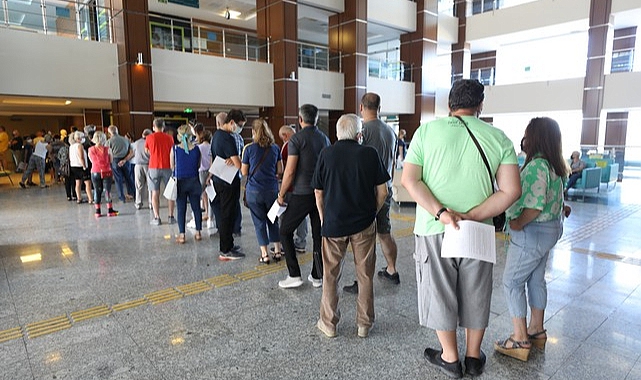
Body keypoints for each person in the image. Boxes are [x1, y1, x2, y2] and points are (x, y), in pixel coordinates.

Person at [401, 79, 521, 378]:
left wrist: (442, 213)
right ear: (480, 105)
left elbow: (410, 180)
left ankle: (450, 357)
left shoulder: (427, 131)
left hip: (433, 227)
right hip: (477, 230)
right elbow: (510, 191)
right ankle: (473, 357)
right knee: (477, 290)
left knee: (439, 290)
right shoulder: (498, 138)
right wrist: (472, 215)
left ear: (449, 105)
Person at [495, 117, 570, 361]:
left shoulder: (537, 165)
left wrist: (516, 223)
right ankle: (536, 329)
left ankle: (519, 339)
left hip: (532, 231)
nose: (524, 139)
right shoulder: (555, 165)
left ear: (535, 137)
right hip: (549, 230)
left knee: (512, 282)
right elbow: (553, 200)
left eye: (527, 134)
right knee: (536, 279)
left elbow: (534, 206)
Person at [312, 113, 389, 339]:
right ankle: (364, 325)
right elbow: (383, 191)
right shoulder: (369, 154)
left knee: (330, 274)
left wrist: (324, 217)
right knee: (365, 275)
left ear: (337, 134)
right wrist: (371, 214)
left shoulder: (326, 154)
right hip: (363, 224)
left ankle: (329, 323)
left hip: (334, 224)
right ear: (359, 135)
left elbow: (318, 192)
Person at [344, 92, 400, 295]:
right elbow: (392, 164)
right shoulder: (390, 132)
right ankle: (392, 270)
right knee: (385, 232)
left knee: (364, 240)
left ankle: (362, 281)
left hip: (365, 193)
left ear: (361, 107)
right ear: (379, 107)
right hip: (385, 188)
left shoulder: (362, 131)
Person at [277, 104, 330, 289]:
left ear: (300, 119)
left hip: (301, 194)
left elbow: (290, 171)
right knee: (318, 235)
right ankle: (317, 276)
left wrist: (281, 194)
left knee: (284, 231)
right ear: (316, 119)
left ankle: (294, 274)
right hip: (320, 194)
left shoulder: (296, 140)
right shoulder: (325, 139)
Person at [241, 118, 283, 264]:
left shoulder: (249, 149)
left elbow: (244, 171)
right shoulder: (275, 148)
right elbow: (280, 170)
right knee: (273, 220)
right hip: (271, 190)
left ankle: (265, 254)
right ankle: (277, 251)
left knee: (259, 222)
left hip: (254, 192)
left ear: (253, 132)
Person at [210, 110, 246, 260]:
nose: (240, 129)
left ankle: (229, 244)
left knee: (227, 214)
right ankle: (225, 250)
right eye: (239, 126)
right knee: (227, 215)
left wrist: (234, 159)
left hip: (220, 179)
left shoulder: (216, 136)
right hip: (228, 182)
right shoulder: (228, 138)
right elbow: (239, 165)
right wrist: (238, 160)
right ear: (231, 122)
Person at [170, 125, 202, 243]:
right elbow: (198, 165)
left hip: (180, 182)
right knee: (196, 208)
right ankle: (198, 232)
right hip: (194, 180)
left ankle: (182, 235)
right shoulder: (196, 149)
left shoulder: (175, 149)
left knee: (181, 208)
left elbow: (172, 166)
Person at [279, 124, 307, 253]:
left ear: (285, 136)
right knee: (302, 217)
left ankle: (285, 244)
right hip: (304, 186)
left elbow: (286, 170)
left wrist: (281, 192)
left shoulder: (288, 146)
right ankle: (301, 242)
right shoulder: (304, 143)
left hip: (290, 187)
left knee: (284, 215)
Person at [146, 118, 176, 225]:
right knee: (170, 193)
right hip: (167, 166)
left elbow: (147, 151)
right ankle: (171, 217)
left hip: (153, 167)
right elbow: (172, 151)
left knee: (155, 192)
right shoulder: (169, 138)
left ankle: (157, 218)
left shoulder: (149, 137)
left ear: (153, 127)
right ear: (163, 127)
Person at [88, 131, 118, 218]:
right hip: (106, 171)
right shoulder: (108, 149)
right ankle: (110, 210)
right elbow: (111, 160)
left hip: (95, 171)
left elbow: (91, 161)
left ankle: (98, 212)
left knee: (97, 191)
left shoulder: (90, 149)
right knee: (107, 191)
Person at [107, 125, 135, 202]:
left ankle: (121, 197)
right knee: (129, 178)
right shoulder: (126, 140)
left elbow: (108, 154)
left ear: (109, 133)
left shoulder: (109, 142)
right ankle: (134, 194)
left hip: (115, 161)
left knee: (118, 180)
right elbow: (132, 153)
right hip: (126, 160)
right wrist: (125, 160)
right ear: (117, 131)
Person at [69, 131, 93, 204]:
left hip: (73, 166)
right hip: (81, 166)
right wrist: (84, 166)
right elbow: (81, 157)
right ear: (78, 138)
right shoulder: (79, 146)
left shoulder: (71, 146)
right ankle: (90, 199)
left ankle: (79, 198)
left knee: (78, 182)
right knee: (87, 183)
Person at [133, 129, 153, 210]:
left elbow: (133, 153)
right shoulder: (151, 142)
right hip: (149, 165)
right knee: (150, 185)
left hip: (138, 165)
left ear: (142, 134)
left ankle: (138, 203)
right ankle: (151, 204)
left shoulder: (136, 143)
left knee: (139, 186)